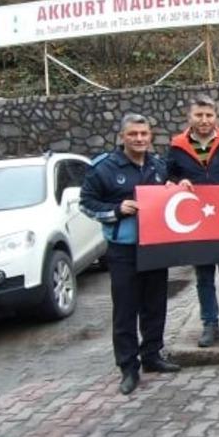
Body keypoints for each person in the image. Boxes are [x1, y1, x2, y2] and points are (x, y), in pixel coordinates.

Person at [80, 113, 181, 395]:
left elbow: (167, 195)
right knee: (125, 309)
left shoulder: (158, 165)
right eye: (133, 134)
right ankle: (128, 367)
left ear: (150, 136)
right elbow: (86, 204)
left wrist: (177, 189)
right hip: (123, 249)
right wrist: (114, 211)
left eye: (143, 134)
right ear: (122, 136)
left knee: (155, 305)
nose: (139, 139)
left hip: (156, 245)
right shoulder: (104, 168)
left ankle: (152, 356)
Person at [167, 96, 219, 348]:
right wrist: (175, 182)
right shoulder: (177, 147)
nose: (204, 120)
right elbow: (168, 176)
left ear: (216, 117)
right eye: (199, 115)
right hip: (196, 221)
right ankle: (210, 324)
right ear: (189, 117)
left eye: (209, 115)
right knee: (203, 276)